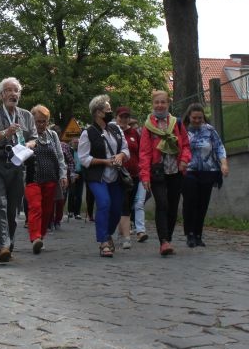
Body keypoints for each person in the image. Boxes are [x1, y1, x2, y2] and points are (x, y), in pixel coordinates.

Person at [0, 77, 37, 263]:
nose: (13, 94)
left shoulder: (26, 115)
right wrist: (5, 133)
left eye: (16, 91)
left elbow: (34, 138)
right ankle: (1, 246)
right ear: (1, 95)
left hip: (17, 164)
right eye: (9, 90)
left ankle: (8, 245)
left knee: (13, 208)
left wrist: (27, 145)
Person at [139, 90, 191, 256]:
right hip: (157, 171)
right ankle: (163, 241)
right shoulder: (148, 127)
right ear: (153, 104)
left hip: (176, 170)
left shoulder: (177, 124)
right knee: (162, 204)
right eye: (157, 102)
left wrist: (184, 160)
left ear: (168, 104)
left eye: (163, 102)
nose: (160, 105)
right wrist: (145, 176)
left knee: (173, 206)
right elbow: (145, 153)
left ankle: (168, 238)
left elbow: (186, 146)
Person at [79, 95, 129, 258]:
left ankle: (107, 233)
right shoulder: (88, 133)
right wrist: (105, 161)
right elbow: (84, 158)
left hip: (115, 176)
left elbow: (125, 149)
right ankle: (103, 242)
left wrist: (121, 156)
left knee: (116, 209)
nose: (110, 112)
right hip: (97, 176)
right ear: (98, 113)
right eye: (108, 109)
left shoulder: (115, 128)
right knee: (104, 202)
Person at [182, 103, 229, 248]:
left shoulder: (209, 130)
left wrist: (224, 164)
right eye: (194, 118)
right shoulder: (182, 130)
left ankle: (198, 234)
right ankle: (189, 233)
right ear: (189, 117)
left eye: (200, 118)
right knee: (191, 202)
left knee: (203, 204)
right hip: (188, 170)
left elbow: (219, 147)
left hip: (208, 171)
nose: (197, 120)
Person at [24, 105, 68, 254]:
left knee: (47, 211)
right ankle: (35, 237)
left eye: (44, 121)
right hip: (32, 178)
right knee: (35, 207)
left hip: (51, 179)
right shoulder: (27, 135)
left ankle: (41, 237)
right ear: (32, 121)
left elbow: (60, 157)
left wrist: (62, 175)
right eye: (38, 121)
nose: (41, 124)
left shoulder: (53, 136)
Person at [116, 106, 147, 248]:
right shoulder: (114, 133)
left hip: (135, 175)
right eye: (121, 116)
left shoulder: (135, 133)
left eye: (126, 117)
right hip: (120, 175)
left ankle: (122, 229)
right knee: (124, 205)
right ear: (117, 117)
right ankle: (127, 238)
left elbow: (142, 152)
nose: (124, 119)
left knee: (132, 204)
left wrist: (143, 169)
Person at [65, 137, 84, 220]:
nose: (76, 144)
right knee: (72, 193)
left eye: (78, 142)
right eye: (75, 142)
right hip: (72, 173)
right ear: (71, 143)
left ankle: (77, 213)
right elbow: (68, 163)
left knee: (79, 194)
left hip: (81, 174)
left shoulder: (82, 152)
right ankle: (70, 211)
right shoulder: (70, 151)